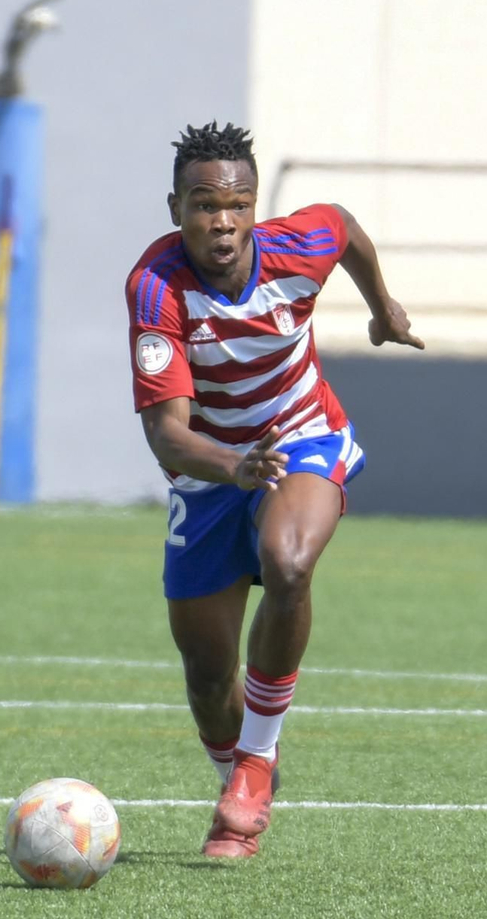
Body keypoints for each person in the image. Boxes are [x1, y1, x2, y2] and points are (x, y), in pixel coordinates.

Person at [125, 121, 424, 859]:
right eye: (202, 205)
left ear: (254, 207)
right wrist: (232, 466)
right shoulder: (156, 287)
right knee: (204, 676)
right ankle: (241, 771)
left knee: (289, 562)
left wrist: (382, 306)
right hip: (211, 470)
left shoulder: (297, 247)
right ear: (175, 209)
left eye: (236, 205)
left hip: (301, 437)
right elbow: (167, 435)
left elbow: (344, 227)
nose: (220, 222)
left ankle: (254, 768)